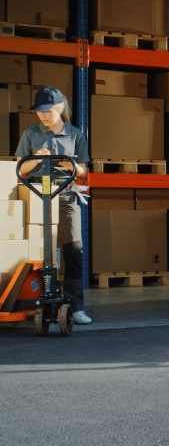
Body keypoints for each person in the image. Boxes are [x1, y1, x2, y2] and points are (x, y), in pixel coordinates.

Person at [16, 87, 92, 326]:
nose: (43, 116)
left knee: (73, 250)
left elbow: (84, 173)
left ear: (60, 108)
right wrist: (36, 158)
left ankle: (76, 307)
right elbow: (19, 169)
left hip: (67, 196)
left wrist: (71, 166)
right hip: (37, 196)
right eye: (39, 112)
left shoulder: (75, 135)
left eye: (47, 111)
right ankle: (31, 301)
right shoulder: (30, 134)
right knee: (38, 251)